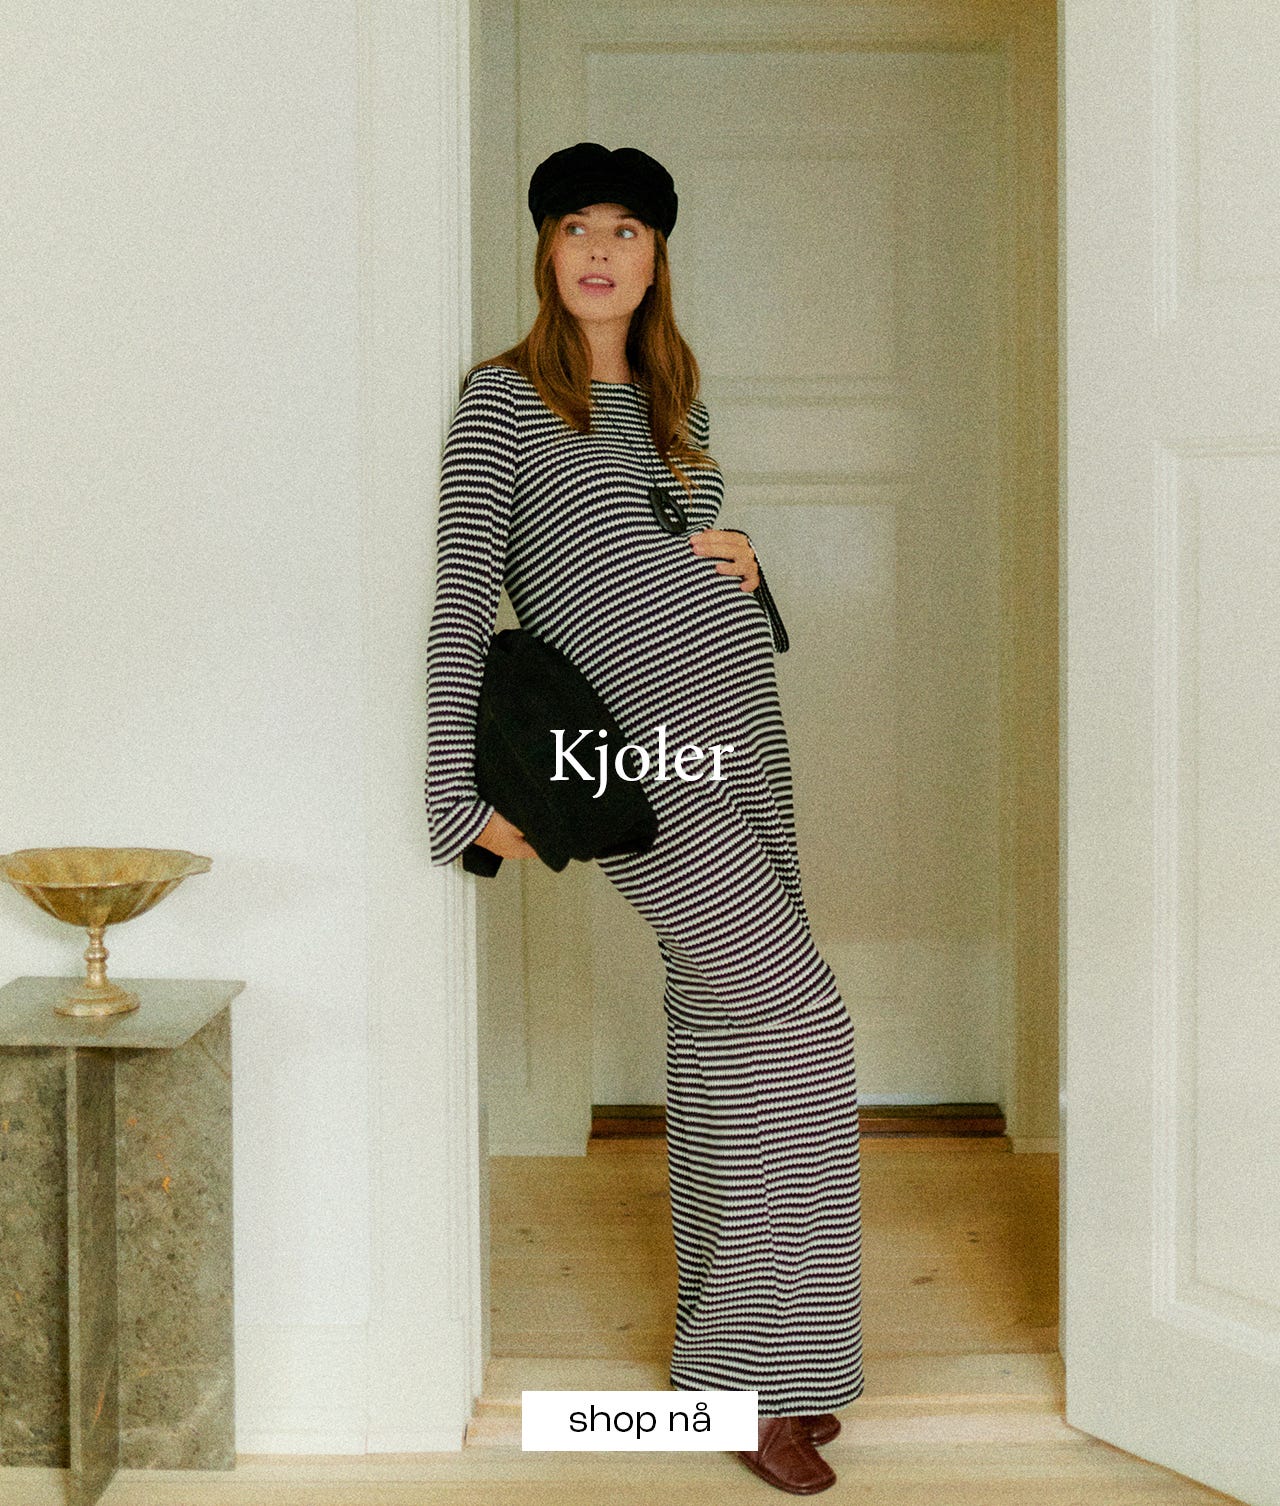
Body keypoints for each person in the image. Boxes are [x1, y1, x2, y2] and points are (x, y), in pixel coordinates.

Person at [424, 141, 863, 1496]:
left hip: (743, 742)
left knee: (734, 1039)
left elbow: (686, 570)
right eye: (577, 226)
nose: (600, 250)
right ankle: (759, 1373)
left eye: (626, 229)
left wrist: (750, 568)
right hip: (644, 765)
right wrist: (456, 799)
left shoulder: (680, 411)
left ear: (658, 254)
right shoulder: (503, 400)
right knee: (802, 1029)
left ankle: (744, 1368)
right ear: (546, 251)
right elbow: (463, 602)